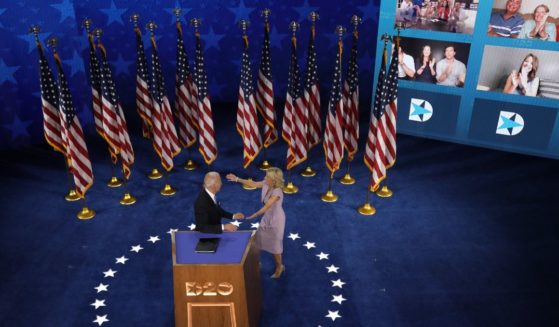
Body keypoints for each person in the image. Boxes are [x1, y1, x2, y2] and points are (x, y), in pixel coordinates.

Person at [226, 168, 286, 278]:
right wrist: (237, 179)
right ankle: (255, 262)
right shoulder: (266, 184)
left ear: (274, 180)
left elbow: (267, 206)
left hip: (276, 220)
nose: (264, 178)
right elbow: (252, 183)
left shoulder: (277, 192)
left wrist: (253, 216)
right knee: (259, 240)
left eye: (267, 177)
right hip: (267, 217)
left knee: (275, 246)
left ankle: (279, 266)